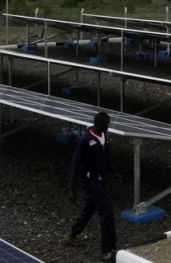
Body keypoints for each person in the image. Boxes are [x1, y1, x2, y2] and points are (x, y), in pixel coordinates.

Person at [64, 111, 118, 260]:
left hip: (101, 179)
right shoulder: (85, 140)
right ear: (99, 124)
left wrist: (113, 171)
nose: (108, 127)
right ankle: (108, 249)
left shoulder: (104, 137)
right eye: (107, 125)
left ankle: (73, 233)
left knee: (90, 207)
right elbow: (75, 163)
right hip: (91, 180)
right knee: (106, 212)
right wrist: (72, 187)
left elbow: (106, 157)